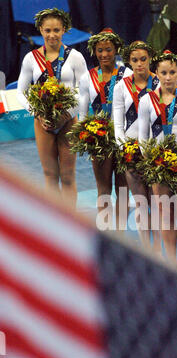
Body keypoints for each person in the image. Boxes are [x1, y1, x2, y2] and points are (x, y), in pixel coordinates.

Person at [17, 8, 87, 209]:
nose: (52, 35)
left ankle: (71, 221)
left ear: (64, 29)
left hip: (68, 121)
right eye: (47, 30)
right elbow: (21, 92)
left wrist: (67, 115)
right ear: (40, 30)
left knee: (67, 176)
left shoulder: (75, 57)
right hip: (43, 122)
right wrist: (37, 113)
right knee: (50, 175)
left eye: (56, 30)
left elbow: (82, 91)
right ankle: (55, 220)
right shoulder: (31, 58)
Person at [138, 50, 177, 268]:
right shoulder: (147, 100)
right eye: (163, 72)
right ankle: (170, 264)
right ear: (156, 73)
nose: (167, 77)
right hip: (158, 165)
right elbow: (142, 137)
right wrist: (151, 160)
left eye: (172, 72)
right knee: (165, 214)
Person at [78, 28, 132, 230]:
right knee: (103, 189)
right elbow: (83, 114)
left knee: (123, 189)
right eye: (100, 50)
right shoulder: (87, 78)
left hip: (123, 138)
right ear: (94, 51)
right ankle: (105, 232)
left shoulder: (128, 75)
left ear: (116, 49)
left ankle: (120, 234)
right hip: (99, 139)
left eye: (108, 49)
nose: (104, 54)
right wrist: (85, 136)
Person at [113, 41, 161, 251]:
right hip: (131, 150)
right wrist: (124, 146)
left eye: (143, 59)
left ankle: (159, 249)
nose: (139, 64)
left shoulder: (161, 83)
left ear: (150, 59)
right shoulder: (121, 86)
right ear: (128, 62)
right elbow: (117, 122)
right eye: (134, 60)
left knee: (157, 203)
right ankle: (146, 248)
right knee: (141, 202)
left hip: (155, 151)